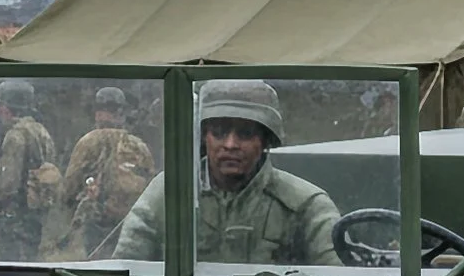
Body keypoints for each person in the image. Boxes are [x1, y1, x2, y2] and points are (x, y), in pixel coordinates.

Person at [114, 80, 340, 265]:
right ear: (204, 136)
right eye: (219, 132)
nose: (231, 144)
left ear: (265, 141)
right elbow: (125, 271)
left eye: (245, 133)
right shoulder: (168, 193)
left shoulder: (304, 205)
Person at [61, 86, 157, 257]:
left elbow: (69, 185)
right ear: (121, 113)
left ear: (97, 112)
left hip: (97, 223)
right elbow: (152, 188)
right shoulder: (138, 146)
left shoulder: (88, 142)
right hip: (130, 223)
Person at [0, 79, 57, 261]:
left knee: (10, 269)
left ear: (8, 107)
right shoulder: (41, 132)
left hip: (16, 218)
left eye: (1, 106)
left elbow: (9, 182)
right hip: (37, 216)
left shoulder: (15, 135)